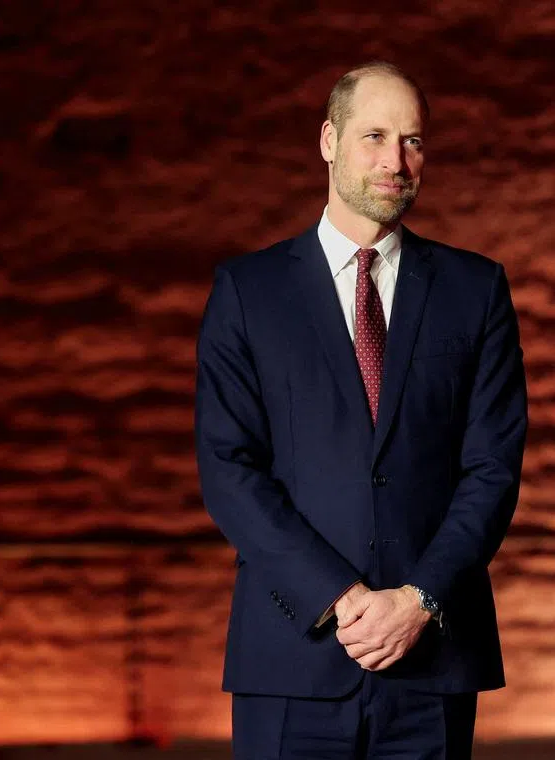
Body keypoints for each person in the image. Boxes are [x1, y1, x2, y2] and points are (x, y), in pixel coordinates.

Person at [195, 61, 527, 759]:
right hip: (292, 654)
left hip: (432, 659)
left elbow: (492, 470)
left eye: (413, 141)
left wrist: (419, 600)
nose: (395, 160)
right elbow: (229, 469)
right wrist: (342, 598)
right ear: (328, 140)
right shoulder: (248, 292)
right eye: (374, 136)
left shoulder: (476, 289)